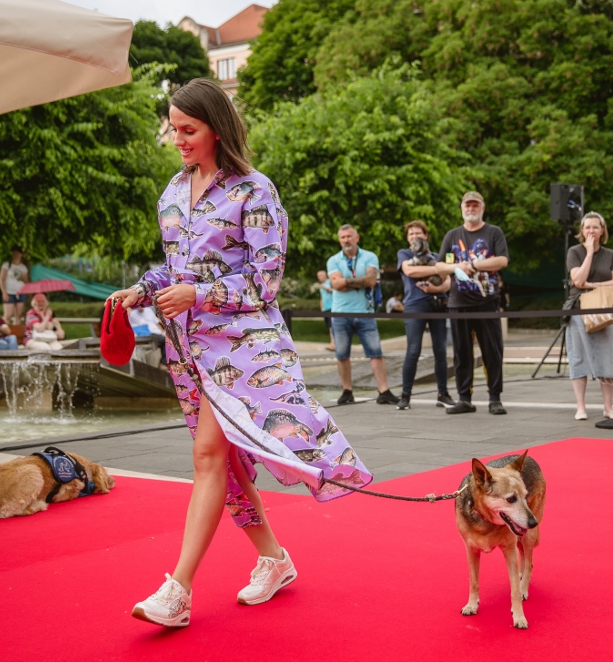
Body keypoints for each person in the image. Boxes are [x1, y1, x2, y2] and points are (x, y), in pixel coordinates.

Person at [109, 77, 372, 628]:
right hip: (190, 350)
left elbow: (266, 281)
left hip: (247, 348)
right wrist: (144, 286)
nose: (177, 139)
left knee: (208, 455)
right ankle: (274, 559)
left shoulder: (255, 190)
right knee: (224, 467)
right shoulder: (171, 195)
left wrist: (198, 293)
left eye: (188, 129)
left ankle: (177, 591)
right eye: (173, 129)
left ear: (216, 128)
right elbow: (175, 268)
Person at [435, 191, 509, 415]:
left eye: (475, 205)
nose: (471, 209)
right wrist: (458, 267)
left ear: (482, 208)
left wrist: (475, 266)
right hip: (458, 302)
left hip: (487, 300)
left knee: (492, 350)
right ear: (462, 208)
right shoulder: (452, 235)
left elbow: (502, 260)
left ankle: (495, 398)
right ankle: (464, 397)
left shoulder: (493, 232)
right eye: (467, 205)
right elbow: (439, 266)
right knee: (461, 352)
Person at [327, 224, 399, 406]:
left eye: (349, 236)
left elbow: (371, 280)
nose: (346, 240)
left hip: (365, 313)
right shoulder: (333, 260)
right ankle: (347, 391)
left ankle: (384, 390)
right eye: (342, 237)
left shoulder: (369, 256)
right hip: (340, 313)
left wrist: (346, 282)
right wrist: (361, 282)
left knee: (376, 352)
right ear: (339, 239)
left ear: (357, 238)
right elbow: (336, 285)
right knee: (342, 354)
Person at [565, 212, 613, 420]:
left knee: (607, 357)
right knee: (578, 357)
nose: (591, 231)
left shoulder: (609, 254)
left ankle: (608, 406)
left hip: (604, 309)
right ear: (582, 231)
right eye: (587, 227)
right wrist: (588, 253)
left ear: (602, 230)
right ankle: (581, 406)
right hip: (579, 310)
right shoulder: (575, 251)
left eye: (595, 227)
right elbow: (578, 281)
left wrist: (593, 285)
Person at [397, 220, 454, 411]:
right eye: (411, 234)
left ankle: (443, 393)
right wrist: (439, 269)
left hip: (438, 303)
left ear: (426, 236)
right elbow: (410, 270)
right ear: (407, 238)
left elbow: (448, 282)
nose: (414, 237)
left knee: (441, 351)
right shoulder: (404, 254)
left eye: (418, 234)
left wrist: (436, 286)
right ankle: (405, 395)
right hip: (415, 305)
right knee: (413, 350)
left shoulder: (437, 255)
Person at [0, 246, 29, 326]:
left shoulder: (23, 267)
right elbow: (1, 279)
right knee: (7, 315)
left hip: (20, 292)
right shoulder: (7, 265)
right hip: (9, 292)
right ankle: (4, 331)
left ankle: (16, 332)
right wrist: (4, 293)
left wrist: (23, 278)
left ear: (21, 254)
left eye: (18, 253)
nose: (16, 255)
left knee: (18, 315)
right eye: (14, 253)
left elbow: (26, 281)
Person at [314, 270, 335, 352]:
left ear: (325, 275)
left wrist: (326, 288)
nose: (319, 277)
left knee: (332, 326)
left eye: (321, 275)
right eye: (318, 276)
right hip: (326, 308)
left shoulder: (330, 282)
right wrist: (322, 308)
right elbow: (322, 298)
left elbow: (336, 292)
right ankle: (333, 343)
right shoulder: (321, 286)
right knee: (329, 326)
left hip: (333, 307)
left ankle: (333, 344)